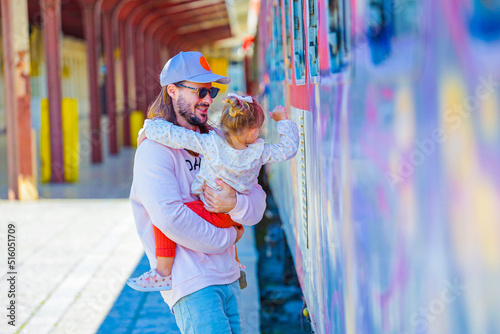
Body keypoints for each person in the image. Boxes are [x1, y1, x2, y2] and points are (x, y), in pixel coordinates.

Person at [129, 51, 267, 334]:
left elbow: (258, 202)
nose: (209, 98)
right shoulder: (153, 151)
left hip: (228, 277)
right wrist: (230, 235)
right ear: (172, 90)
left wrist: (236, 203)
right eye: (201, 90)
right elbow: (171, 219)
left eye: (212, 90)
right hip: (192, 284)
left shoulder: (217, 141)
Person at [127, 93, 299, 293]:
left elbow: (175, 136)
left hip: (211, 210)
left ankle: (163, 274)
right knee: (180, 217)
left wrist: (148, 129)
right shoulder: (259, 153)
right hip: (230, 217)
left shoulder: (211, 144)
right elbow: (289, 149)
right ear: (253, 132)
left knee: (161, 221)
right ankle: (237, 265)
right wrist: (283, 121)